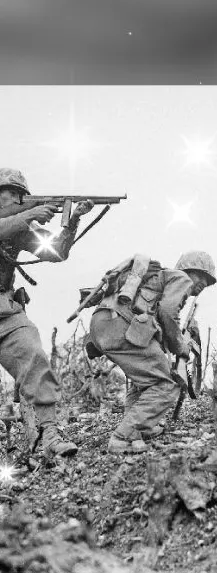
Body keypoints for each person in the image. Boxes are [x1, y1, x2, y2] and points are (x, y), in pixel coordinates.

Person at [0, 167, 94, 457]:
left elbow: (55, 252)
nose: (13, 199)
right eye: (8, 194)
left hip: (4, 310)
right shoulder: (16, 222)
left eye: (18, 195)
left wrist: (72, 221)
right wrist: (29, 214)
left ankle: (49, 437)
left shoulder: (18, 229)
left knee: (35, 357)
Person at [88, 250, 217, 454]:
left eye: (209, 282)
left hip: (103, 324)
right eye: (202, 276)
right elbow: (167, 311)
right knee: (166, 384)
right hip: (120, 325)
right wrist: (180, 345)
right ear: (189, 270)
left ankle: (139, 429)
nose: (204, 284)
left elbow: (158, 318)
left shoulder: (159, 281)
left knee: (146, 380)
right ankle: (124, 436)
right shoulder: (181, 278)